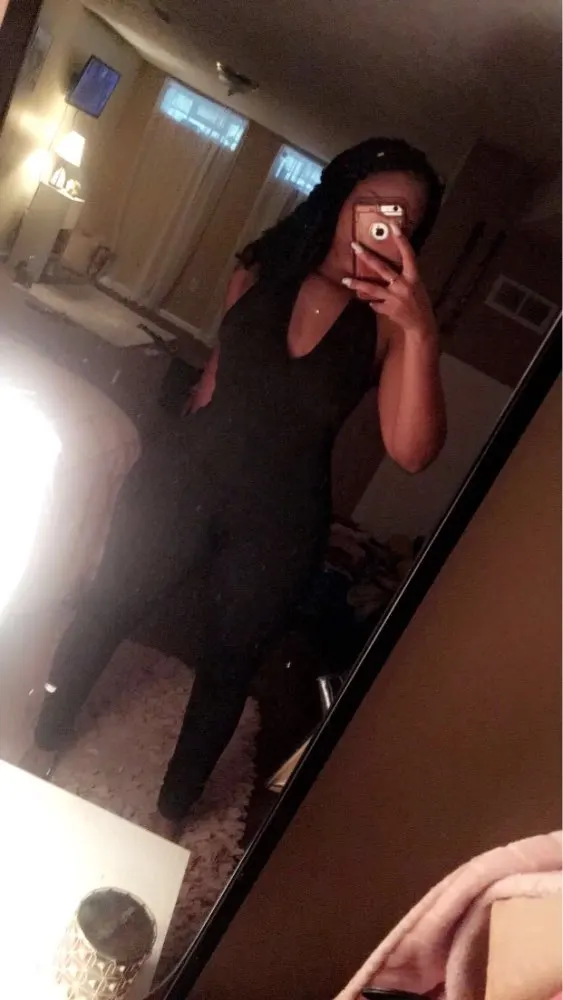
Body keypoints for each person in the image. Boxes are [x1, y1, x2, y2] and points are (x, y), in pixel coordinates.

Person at [29, 137, 447, 837]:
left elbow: (412, 453)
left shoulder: (390, 324)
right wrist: (156, 478)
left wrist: (420, 331)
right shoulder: (260, 270)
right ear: (341, 198)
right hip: (187, 473)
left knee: (230, 665)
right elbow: (216, 378)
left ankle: (168, 814)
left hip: (281, 516)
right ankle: (44, 740)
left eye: (406, 216)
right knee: (107, 603)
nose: (386, 221)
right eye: (375, 202)